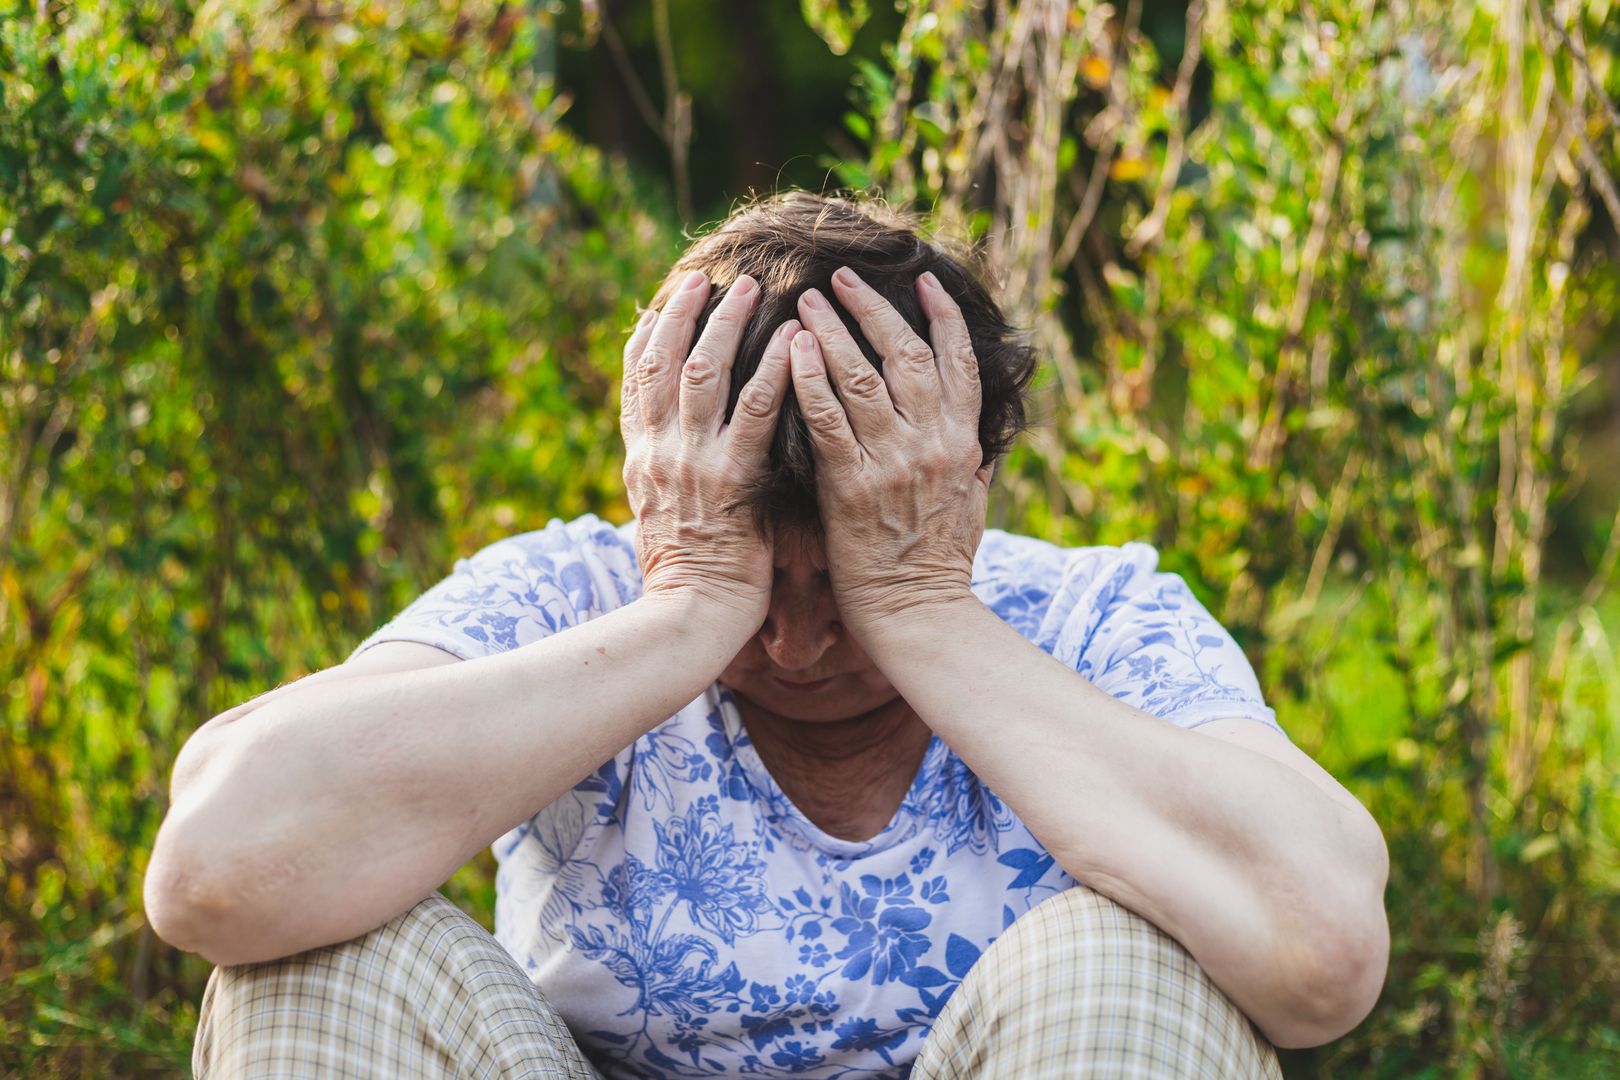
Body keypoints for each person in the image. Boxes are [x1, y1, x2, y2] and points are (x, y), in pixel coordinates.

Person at [145, 193, 1390, 1079]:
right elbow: (214, 867)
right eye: (759, 577)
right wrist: (687, 603)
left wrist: (921, 611)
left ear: (962, 484)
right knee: (320, 965)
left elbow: (1322, 954)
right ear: (659, 479)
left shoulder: (1088, 622)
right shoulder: (573, 597)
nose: (792, 644)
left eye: (838, 578)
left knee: (1127, 964)